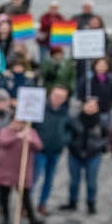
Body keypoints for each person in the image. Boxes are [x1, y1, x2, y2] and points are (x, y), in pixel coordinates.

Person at [0, 118, 44, 224]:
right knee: (5, 195)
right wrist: (17, 136)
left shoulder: (30, 132)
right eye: (14, 121)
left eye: (19, 122)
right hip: (5, 169)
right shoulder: (5, 131)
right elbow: (2, 142)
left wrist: (30, 140)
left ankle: (32, 219)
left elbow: (39, 146)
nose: (16, 124)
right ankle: (5, 218)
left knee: (25, 195)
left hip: (21, 170)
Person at [64, 97, 110, 215]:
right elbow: (68, 133)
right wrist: (71, 144)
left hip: (93, 155)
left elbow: (107, 137)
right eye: (89, 105)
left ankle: (91, 203)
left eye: (94, 106)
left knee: (91, 181)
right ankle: (72, 202)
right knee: (74, 181)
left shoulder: (101, 122)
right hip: (75, 154)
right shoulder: (75, 120)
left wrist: (100, 146)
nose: (91, 108)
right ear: (83, 106)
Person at [33, 87, 72, 216]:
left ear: (64, 99)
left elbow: (70, 129)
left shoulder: (65, 113)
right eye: (56, 95)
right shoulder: (41, 110)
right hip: (40, 151)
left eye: (61, 97)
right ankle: (26, 205)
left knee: (49, 180)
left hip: (55, 151)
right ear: (50, 95)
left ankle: (42, 204)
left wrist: (64, 140)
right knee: (34, 178)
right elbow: (32, 127)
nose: (57, 99)